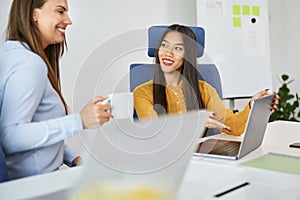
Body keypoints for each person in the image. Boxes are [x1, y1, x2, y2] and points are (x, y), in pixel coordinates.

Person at [0, 0, 111, 180]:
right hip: (34, 186)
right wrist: (80, 120)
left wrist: (72, 158)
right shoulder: (30, 65)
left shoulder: (14, 56)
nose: (68, 20)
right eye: (60, 11)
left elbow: (35, 132)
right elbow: (12, 136)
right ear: (34, 15)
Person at [134, 24, 278, 136]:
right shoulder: (142, 92)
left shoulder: (204, 89)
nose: (168, 53)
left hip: (200, 159)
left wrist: (252, 106)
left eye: (178, 48)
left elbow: (231, 126)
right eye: (164, 45)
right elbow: (154, 131)